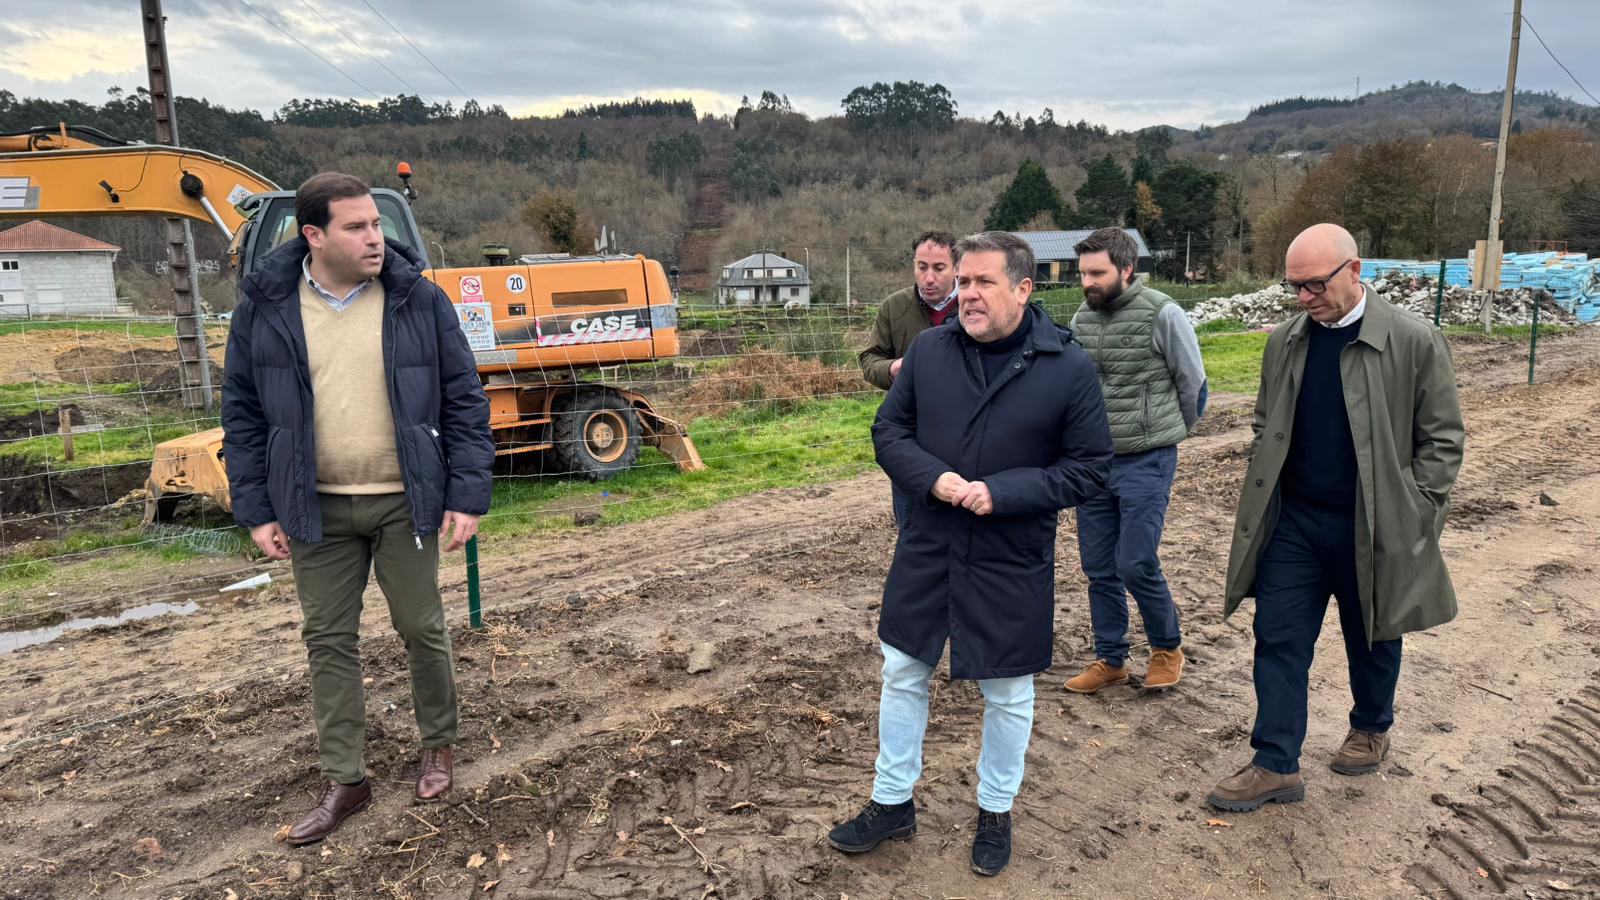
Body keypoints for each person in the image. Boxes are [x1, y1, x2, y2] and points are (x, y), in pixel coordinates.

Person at [222, 172, 494, 845]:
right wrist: (257, 509)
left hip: (406, 502)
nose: (376, 238)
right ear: (314, 235)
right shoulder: (266, 307)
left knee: (421, 627)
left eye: (376, 224)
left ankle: (438, 746)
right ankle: (348, 778)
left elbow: (464, 401)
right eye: (357, 227)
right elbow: (244, 412)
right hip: (313, 509)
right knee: (327, 642)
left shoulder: (418, 300)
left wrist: (467, 494)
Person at [829, 231, 1113, 876]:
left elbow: (1091, 467)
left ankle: (995, 809)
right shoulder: (930, 351)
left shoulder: (1067, 366)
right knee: (903, 670)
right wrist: (932, 478)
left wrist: (1004, 492)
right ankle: (892, 801)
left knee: (1007, 687)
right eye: (962, 281)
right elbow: (889, 430)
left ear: (1023, 288)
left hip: (1011, 548)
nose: (967, 294)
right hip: (929, 539)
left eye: (982, 282)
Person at [1206, 223, 1464, 812]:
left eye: (1315, 284)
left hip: (1373, 525)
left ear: (1355, 270)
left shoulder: (1413, 339)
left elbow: (1443, 440)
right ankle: (1275, 764)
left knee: (1373, 633)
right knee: (1277, 638)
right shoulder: (1288, 341)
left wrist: (1416, 511)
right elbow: (1265, 420)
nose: (1303, 298)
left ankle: (1370, 726)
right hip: (1295, 523)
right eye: (1294, 286)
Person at [1064, 227, 1207, 694]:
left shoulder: (1163, 312)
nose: (1087, 282)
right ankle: (1111, 659)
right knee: (1098, 566)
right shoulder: (1083, 319)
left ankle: (1167, 648)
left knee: (1135, 560)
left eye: (1097, 272)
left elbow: (1194, 384)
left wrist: (1168, 432)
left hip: (1147, 459)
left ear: (1127, 269)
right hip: (1094, 464)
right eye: (1083, 272)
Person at [860, 231, 960, 526]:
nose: (928, 277)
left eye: (939, 268)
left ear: (956, 268)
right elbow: (869, 359)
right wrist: (891, 370)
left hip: (964, 433)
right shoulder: (894, 307)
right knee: (912, 528)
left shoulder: (973, 303)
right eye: (921, 267)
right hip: (912, 437)